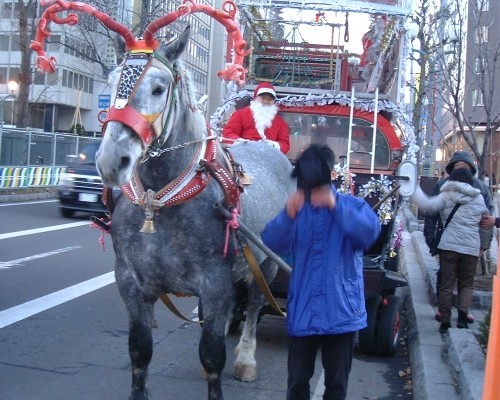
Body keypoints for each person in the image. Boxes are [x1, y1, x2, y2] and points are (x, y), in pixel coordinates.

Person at [261, 144, 381, 400]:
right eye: (306, 184)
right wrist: (287, 215)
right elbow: (272, 242)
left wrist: (335, 206)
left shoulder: (350, 205)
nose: (310, 191)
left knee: (336, 387)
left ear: (330, 177)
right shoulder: (296, 210)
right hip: (304, 309)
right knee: (296, 384)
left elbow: (368, 234)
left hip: (341, 311)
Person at [416, 167, 490, 333]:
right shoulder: (478, 198)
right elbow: (485, 222)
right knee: (466, 284)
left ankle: (445, 322)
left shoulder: (446, 195)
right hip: (470, 248)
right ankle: (463, 318)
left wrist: (413, 188)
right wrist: (483, 245)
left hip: (448, 247)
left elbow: (428, 206)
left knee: (446, 285)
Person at [222, 82, 291, 154]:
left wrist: (272, 145)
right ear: (255, 98)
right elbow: (228, 133)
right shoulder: (240, 114)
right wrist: (241, 142)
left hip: (269, 157)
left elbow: (285, 144)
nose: (266, 101)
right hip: (243, 154)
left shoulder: (281, 123)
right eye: (263, 98)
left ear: (273, 102)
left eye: (269, 99)